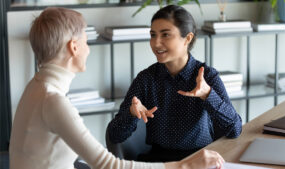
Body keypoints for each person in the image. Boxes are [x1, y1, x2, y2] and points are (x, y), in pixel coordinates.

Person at [9, 7, 225, 169]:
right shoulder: (53, 101)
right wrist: (185, 166)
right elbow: (107, 163)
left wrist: (208, 96)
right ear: (74, 48)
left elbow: (232, 128)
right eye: (86, 41)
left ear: (187, 39)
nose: (88, 49)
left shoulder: (36, 87)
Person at [107, 5, 242, 162]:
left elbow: (235, 129)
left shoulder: (208, 76)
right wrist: (131, 114)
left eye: (165, 35)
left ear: (188, 38)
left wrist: (208, 95)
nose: (156, 43)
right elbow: (114, 136)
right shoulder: (146, 79)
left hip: (201, 160)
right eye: (153, 35)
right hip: (159, 162)